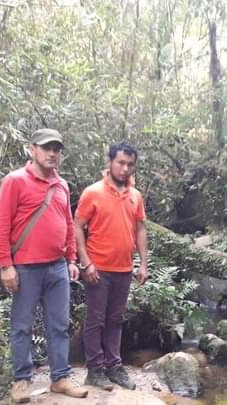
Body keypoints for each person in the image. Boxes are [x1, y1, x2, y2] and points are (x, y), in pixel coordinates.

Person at [0, 128, 88, 402]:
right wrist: (6, 265)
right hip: (24, 268)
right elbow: (0, 226)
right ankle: (21, 381)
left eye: (56, 149)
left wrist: (70, 259)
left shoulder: (62, 186)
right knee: (22, 326)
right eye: (46, 148)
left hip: (57, 267)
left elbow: (67, 224)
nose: (52, 153)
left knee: (59, 325)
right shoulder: (15, 181)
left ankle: (60, 378)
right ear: (32, 149)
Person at [74, 142, 148, 391]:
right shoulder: (92, 193)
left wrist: (143, 264)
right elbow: (77, 227)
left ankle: (114, 366)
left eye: (130, 164)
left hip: (124, 269)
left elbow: (140, 229)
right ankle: (95, 370)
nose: (125, 168)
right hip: (98, 269)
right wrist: (86, 263)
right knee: (96, 319)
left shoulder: (135, 196)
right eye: (120, 162)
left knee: (116, 319)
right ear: (110, 162)